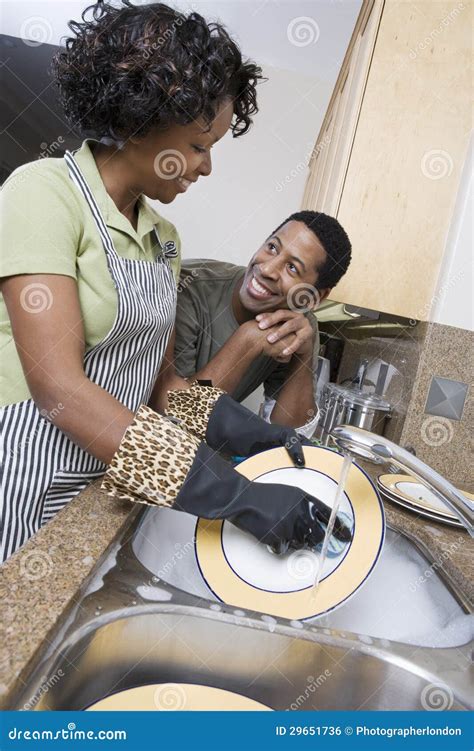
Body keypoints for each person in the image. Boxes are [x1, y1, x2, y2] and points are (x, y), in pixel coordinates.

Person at [0, 1, 350, 563]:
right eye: (197, 146)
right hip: (27, 478)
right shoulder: (44, 194)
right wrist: (237, 496)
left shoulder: (163, 237)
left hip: (114, 476)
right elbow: (60, 390)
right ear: (140, 122)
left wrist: (260, 438)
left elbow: (161, 386)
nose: (205, 167)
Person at [173, 211, 352, 432]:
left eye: (292, 268)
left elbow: (292, 434)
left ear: (315, 296)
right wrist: (248, 340)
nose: (267, 269)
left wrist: (301, 358)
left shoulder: (298, 326)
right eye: (273, 248)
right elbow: (178, 420)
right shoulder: (186, 288)